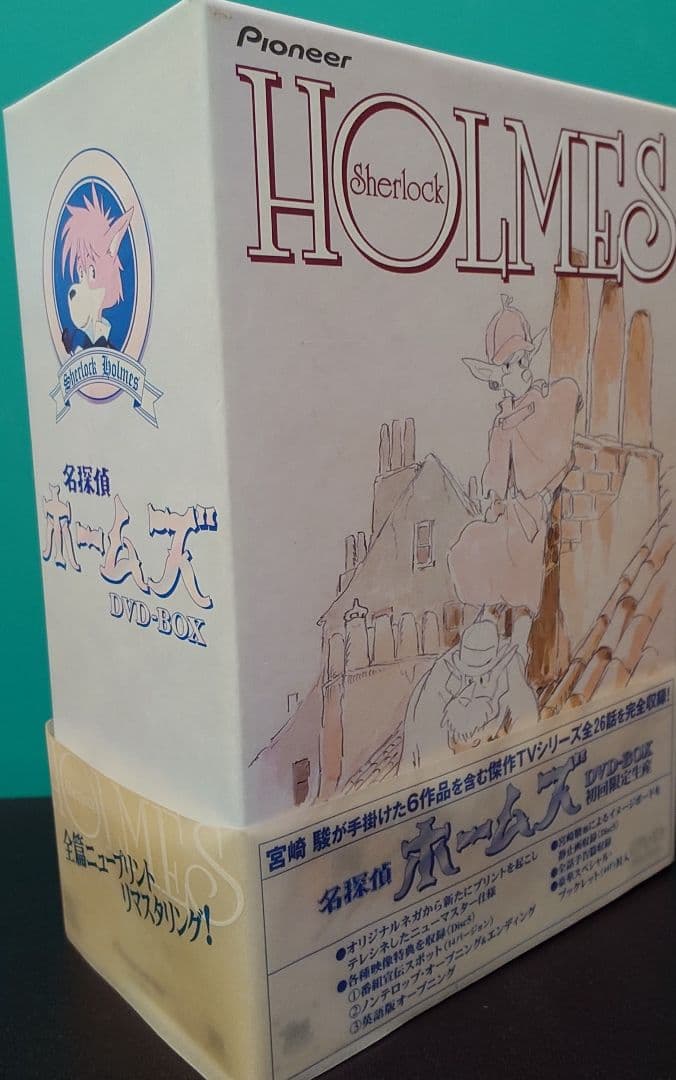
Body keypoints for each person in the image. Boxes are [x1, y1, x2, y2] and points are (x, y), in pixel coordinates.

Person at [448, 294, 580, 659]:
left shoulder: (543, 402)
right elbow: (495, 472)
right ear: (496, 376)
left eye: (523, 360)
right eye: (510, 364)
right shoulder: (502, 424)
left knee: (520, 561)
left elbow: (554, 449)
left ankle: (519, 641)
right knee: (474, 545)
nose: (521, 369)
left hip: (533, 510)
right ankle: (489, 628)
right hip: (510, 511)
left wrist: (533, 487)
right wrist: (492, 498)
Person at [400, 619, 539, 770]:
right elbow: (430, 753)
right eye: (468, 677)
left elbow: (526, 716)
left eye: (480, 677)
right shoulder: (438, 683)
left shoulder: (510, 667)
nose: (471, 689)